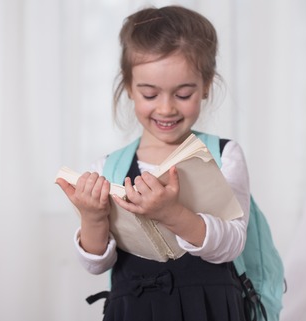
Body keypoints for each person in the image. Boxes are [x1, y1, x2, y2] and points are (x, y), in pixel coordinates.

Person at [56, 5, 251, 321]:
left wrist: (171, 214)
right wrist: (92, 217)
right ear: (130, 88)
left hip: (211, 308)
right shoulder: (106, 168)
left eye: (183, 94)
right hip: (133, 310)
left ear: (206, 86)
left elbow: (232, 244)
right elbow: (96, 264)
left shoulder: (224, 154)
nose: (166, 108)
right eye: (149, 94)